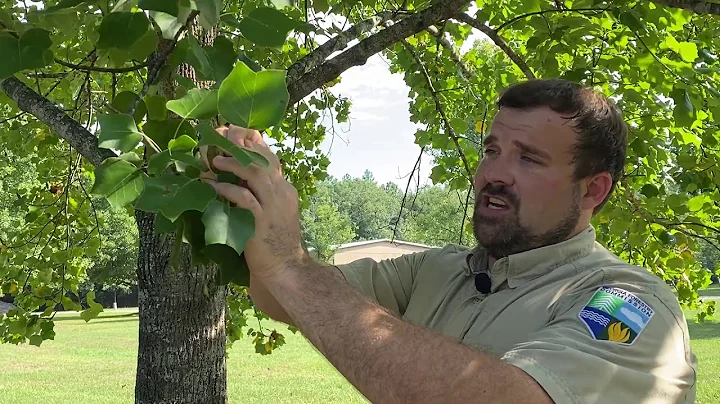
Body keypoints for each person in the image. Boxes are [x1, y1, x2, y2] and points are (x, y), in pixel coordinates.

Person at [202, 78, 697, 403]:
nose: (494, 174)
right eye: (492, 149)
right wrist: (251, 200)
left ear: (593, 188)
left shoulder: (629, 302)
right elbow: (281, 297)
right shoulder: (433, 271)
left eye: (529, 159)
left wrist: (290, 265)